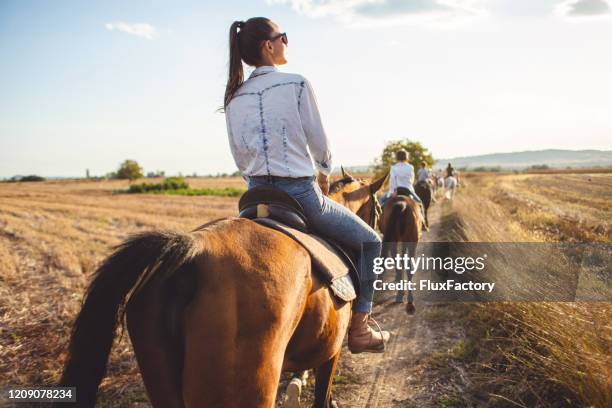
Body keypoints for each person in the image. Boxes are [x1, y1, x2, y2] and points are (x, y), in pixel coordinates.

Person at [223, 17, 389, 353]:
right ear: (269, 46)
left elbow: (240, 155)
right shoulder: (296, 83)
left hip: (252, 197)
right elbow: (320, 143)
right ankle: (359, 329)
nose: (286, 42)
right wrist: (325, 173)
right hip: (300, 195)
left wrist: (258, 179)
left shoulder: (233, 96)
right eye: (283, 36)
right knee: (371, 242)